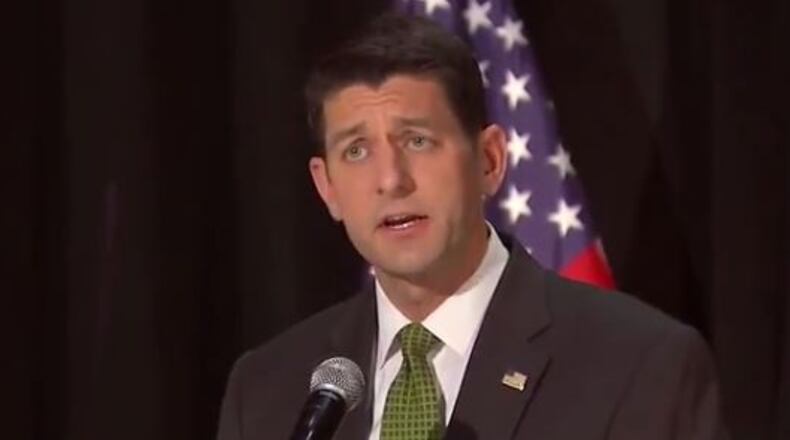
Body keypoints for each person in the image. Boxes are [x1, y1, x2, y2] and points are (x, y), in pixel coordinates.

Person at [217, 13, 728, 440]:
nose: (391, 180)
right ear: (327, 186)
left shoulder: (640, 367)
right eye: (356, 151)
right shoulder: (267, 391)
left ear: (489, 160)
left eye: (417, 141)